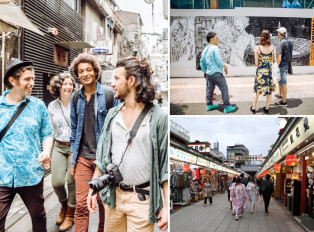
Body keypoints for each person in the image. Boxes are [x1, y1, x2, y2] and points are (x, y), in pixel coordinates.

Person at [87, 56, 168, 231]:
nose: (112, 83)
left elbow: (164, 168)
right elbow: (102, 156)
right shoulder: (112, 114)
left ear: (131, 80)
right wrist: (93, 188)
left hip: (142, 200)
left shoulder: (158, 117)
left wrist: (166, 207)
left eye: (116, 78)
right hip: (114, 197)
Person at [0, 59, 53, 232]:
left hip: (31, 173)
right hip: (2, 175)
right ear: (12, 81)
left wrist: (46, 151)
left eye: (33, 78)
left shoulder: (38, 106)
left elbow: (47, 133)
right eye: (27, 79)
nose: (32, 83)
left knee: (38, 216)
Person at [69, 53, 119, 232]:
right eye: (81, 71)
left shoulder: (109, 94)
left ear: (95, 71)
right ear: (77, 74)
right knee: (81, 205)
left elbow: (118, 126)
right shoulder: (75, 97)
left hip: (104, 159)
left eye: (88, 70)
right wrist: (72, 159)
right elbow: (74, 131)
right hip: (82, 158)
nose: (85, 74)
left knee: (104, 203)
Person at [48, 73, 76, 231]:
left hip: (74, 146)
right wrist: (48, 150)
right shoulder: (52, 106)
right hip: (58, 145)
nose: (68, 87)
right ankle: (63, 206)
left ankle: (70, 214)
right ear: (58, 87)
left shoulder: (78, 103)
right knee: (57, 182)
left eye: (70, 84)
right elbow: (50, 130)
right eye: (64, 84)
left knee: (71, 181)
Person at [200, 32, 236, 114]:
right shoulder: (215, 48)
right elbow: (218, 61)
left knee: (209, 89)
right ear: (212, 39)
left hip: (209, 74)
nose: (217, 40)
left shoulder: (205, 49)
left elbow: (201, 62)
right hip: (216, 73)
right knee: (224, 89)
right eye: (216, 38)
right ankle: (227, 107)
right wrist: (225, 66)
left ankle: (209, 105)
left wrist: (205, 70)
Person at [250, 30, 276, 115]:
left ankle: (253, 108)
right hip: (269, 73)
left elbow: (256, 63)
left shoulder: (257, 48)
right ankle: (267, 108)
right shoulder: (273, 47)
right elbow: (274, 60)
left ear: (261, 37)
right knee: (269, 91)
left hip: (260, 73)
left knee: (257, 91)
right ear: (269, 37)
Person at [275, 27, 293, 107]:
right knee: (281, 81)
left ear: (280, 34)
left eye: (278, 32)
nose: (277, 34)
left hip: (282, 65)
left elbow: (279, 58)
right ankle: (280, 95)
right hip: (287, 65)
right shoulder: (290, 42)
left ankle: (284, 102)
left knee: (283, 83)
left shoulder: (280, 44)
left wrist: (275, 66)